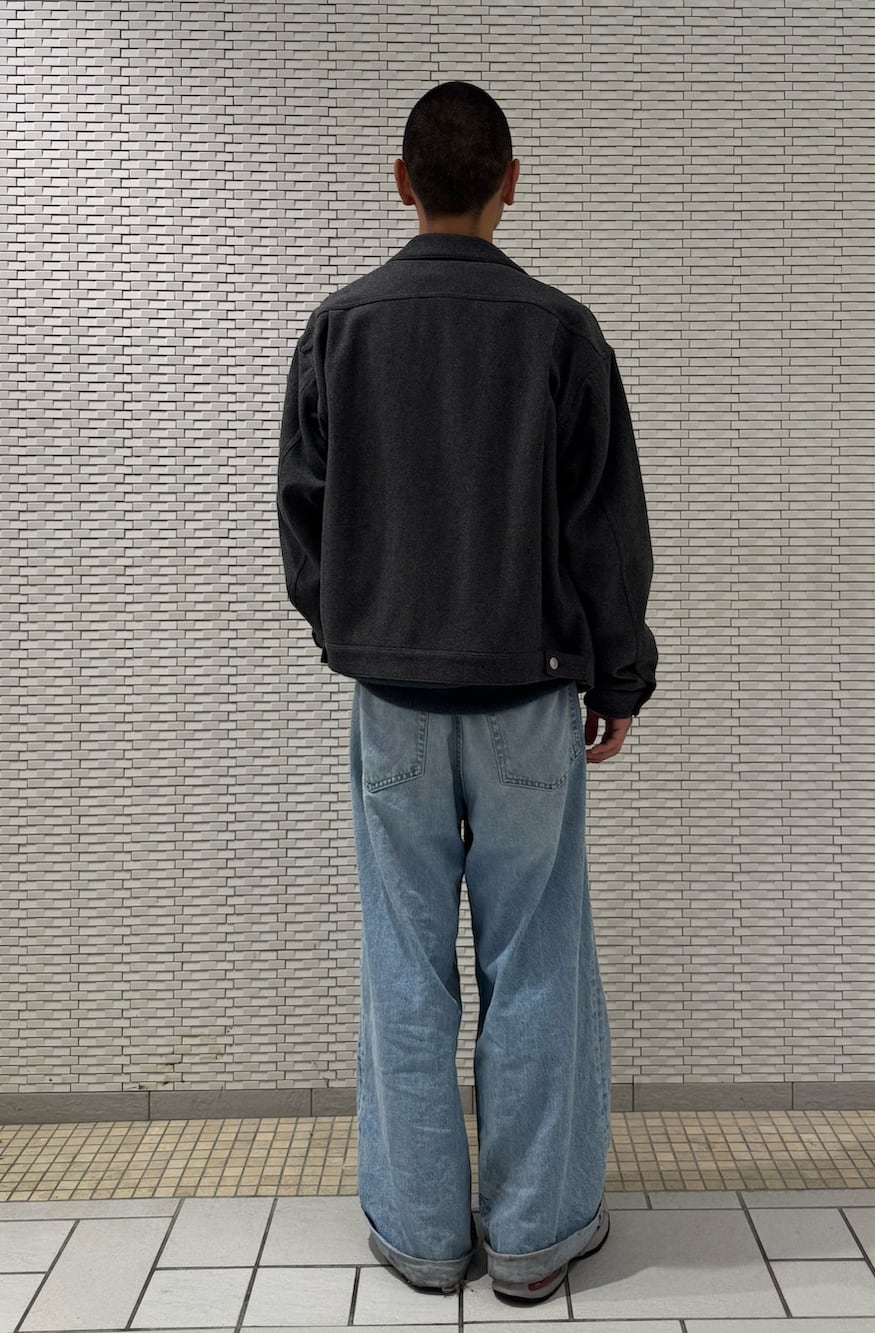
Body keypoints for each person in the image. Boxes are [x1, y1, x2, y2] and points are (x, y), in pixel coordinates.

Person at [276, 80, 657, 1304]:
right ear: (510, 184)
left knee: (403, 963)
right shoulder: (561, 332)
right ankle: (536, 1237)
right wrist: (618, 674)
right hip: (528, 702)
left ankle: (424, 1234)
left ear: (401, 183)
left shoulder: (340, 327)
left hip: (392, 699)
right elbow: (604, 530)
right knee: (538, 960)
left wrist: (358, 628)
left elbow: (303, 521)